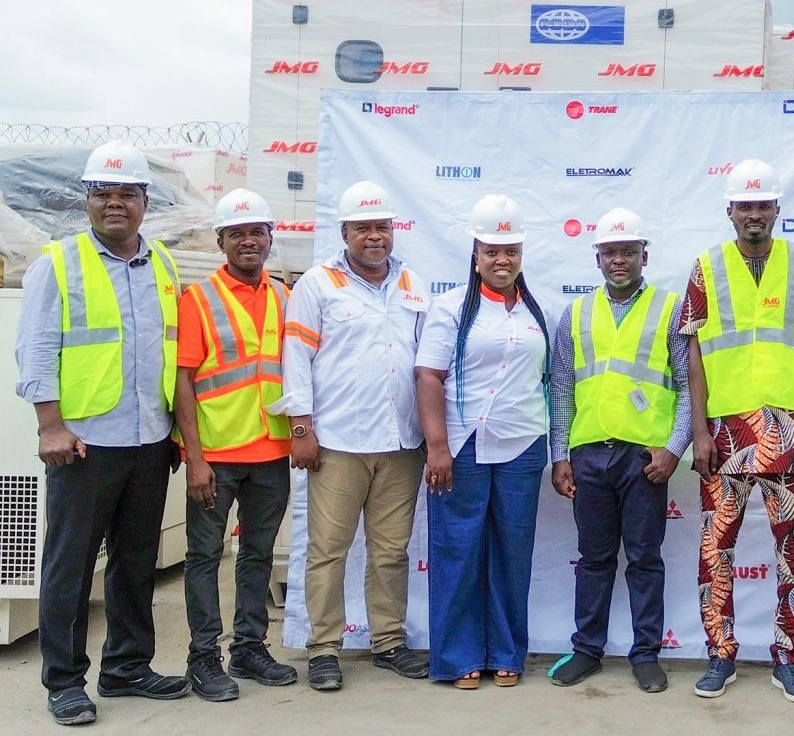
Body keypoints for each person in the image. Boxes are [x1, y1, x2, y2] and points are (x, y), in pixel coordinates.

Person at [15, 141, 190, 726]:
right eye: (103, 193)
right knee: (71, 566)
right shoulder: (58, 263)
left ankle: (126, 667)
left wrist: (173, 430)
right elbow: (36, 347)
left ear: (145, 202)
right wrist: (50, 426)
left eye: (127, 194)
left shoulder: (162, 263)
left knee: (136, 562)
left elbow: (168, 350)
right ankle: (64, 681)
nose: (115, 203)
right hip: (84, 443)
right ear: (87, 200)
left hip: (149, 440)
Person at [270, 180, 430, 691]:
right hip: (337, 442)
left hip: (401, 443)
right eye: (363, 228)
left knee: (390, 551)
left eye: (382, 226)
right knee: (327, 551)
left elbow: (426, 364)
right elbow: (296, 358)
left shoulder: (412, 283)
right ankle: (323, 649)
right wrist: (300, 427)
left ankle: (389, 641)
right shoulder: (318, 284)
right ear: (344, 233)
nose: (374, 236)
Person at [682, 159, 794, 703]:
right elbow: (694, 354)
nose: (754, 214)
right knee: (715, 551)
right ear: (730, 211)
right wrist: (699, 431)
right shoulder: (707, 267)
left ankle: (788, 659)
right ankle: (720, 654)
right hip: (724, 436)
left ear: (777, 209)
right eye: (745, 206)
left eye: (763, 205)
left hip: (790, 434)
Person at [548, 207, 691, 694]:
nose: (619, 260)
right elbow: (562, 388)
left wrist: (673, 448)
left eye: (628, 251)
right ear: (598, 258)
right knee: (593, 558)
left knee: (645, 558)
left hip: (644, 458)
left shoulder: (670, 309)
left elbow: (689, 386)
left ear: (643, 255)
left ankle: (646, 653)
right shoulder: (575, 314)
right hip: (589, 454)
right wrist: (560, 454)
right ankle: (587, 649)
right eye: (610, 252)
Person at [415, 195, 550, 690]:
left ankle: (506, 653)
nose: (502, 260)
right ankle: (458, 657)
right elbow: (428, 376)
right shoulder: (451, 308)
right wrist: (437, 446)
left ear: (521, 254)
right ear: (475, 254)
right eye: (492, 251)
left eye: (510, 251)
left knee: (512, 553)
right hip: (462, 446)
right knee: (458, 550)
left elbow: (547, 379)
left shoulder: (537, 311)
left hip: (522, 446)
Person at [175, 188, 297, 701]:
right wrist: (194, 458)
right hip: (217, 456)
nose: (249, 241)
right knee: (204, 556)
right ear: (221, 241)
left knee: (257, 554)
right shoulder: (198, 299)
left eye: (257, 232)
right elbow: (183, 382)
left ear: (270, 238)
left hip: (270, 452)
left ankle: (249, 648)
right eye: (237, 233)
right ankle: (204, 657)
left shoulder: (286, 297)